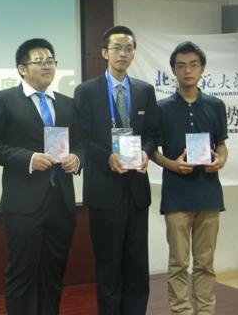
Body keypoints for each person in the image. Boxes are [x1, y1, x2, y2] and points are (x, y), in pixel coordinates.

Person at [0, 38, 85, 315]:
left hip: (61, 202)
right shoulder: (4, 100)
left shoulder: (66, 103)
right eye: (39, 61)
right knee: (22, 274)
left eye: (50, 61)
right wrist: (28, 159)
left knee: (54, 275)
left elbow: (80, 143)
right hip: (23, 204)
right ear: (22, 69)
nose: (47, 66)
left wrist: (77, 159)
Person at [74, 25, 160, 314]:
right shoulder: (87, 91)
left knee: (137, 265)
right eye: (117, 48)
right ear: (104, 53)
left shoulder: (145, 91)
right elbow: (82, 138)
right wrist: (107, 158)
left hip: (136, 190)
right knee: (109, 266)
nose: (123, 53)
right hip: (104, 189)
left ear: (133, 53)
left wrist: (146, 152)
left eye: (129, 48)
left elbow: (153, 133)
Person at [151, 41, 228, 315]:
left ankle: (206, 310)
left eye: (193, 65)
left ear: (202, 68)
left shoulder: (216, 105)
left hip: (209, 195)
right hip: (177, 197)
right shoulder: (161, 108)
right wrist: (171, 165)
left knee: (205, 263)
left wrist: (220, 160)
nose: (188, 70)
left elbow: (221, 145)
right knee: (178, 263)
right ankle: (182, 311)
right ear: (173, 71)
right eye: (181, 66)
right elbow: (151, 150)